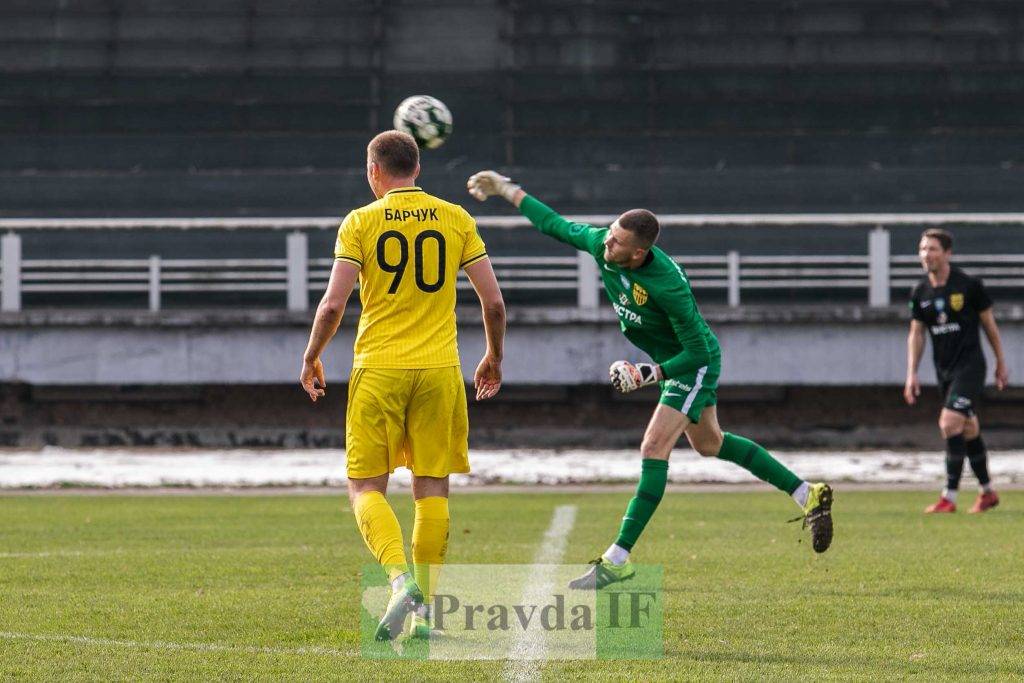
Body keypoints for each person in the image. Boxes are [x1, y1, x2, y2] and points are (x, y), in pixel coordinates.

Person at [467, 170, 833, 590]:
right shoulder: (604, 244)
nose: (606, 243)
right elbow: (555, 224)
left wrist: (649, 374)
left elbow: (698, 352)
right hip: (670, 360)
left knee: (653, 446)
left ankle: (617, 559)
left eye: (617, 242)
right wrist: (507, 190)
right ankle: (809, 493)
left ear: (639, 253)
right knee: (710, 443)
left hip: (691, 364)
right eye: (609, 235)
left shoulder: (668, 287)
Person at [301, 131, 506, 640]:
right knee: (431, 487)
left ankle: (397, 582)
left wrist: (312, 356)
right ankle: (423, 614)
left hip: (380, 367)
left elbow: (332, 305)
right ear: (417, 168)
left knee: (365, 487)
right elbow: (494, 303)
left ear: (374, 170)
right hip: (440, 370)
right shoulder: (456, 217)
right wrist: (494, 357)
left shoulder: (360, 222)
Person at [904, 228, 1008, 513]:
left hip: (971, 366)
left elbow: (989, 325)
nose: (927, 255)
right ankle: (987, 493)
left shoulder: (969, 286)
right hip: (945, 371)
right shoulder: (920, 292)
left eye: (933, 249)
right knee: (969, 428)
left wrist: (1000, 361)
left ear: (948, 253)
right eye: (923, 249)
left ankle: (948, 497)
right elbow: (917, 333)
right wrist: (911, 372)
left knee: (949, 423)